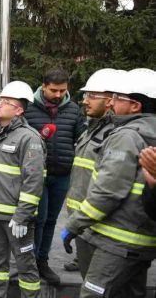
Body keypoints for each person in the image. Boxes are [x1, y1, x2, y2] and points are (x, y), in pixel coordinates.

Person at [63, 68, 156, 298]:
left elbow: (108, 192)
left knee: (92, 294)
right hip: (140, 241)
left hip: (116, 241)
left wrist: (74, 225)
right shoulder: (146, 132)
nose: (111, 103)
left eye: (117, 98)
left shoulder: (127, 135)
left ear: (135, 105)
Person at [0, 81, 45, 298]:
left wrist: (23, 216)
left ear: (19, 110)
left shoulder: (29, 138)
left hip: (15, 219)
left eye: (6, 101)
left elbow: (33, 181)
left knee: (26, 267)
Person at [24, 68, 85, 284]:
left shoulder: (74, 110)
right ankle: (30, 261)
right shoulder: (29, 108)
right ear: (43, 87)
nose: (58, 95)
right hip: (36, 175)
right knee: (38, 219)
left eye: (62, 90)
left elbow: (82, 139)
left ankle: (43, 260)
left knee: (50, 220)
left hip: (61, 175)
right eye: (53, 90)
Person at [63, 69, 120, 277]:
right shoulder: (90, 129)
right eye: (85, 95)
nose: (85, 101)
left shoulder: (117, 135)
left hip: (101, 226)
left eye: (92, 96)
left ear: (111, 100)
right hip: (82, 223)